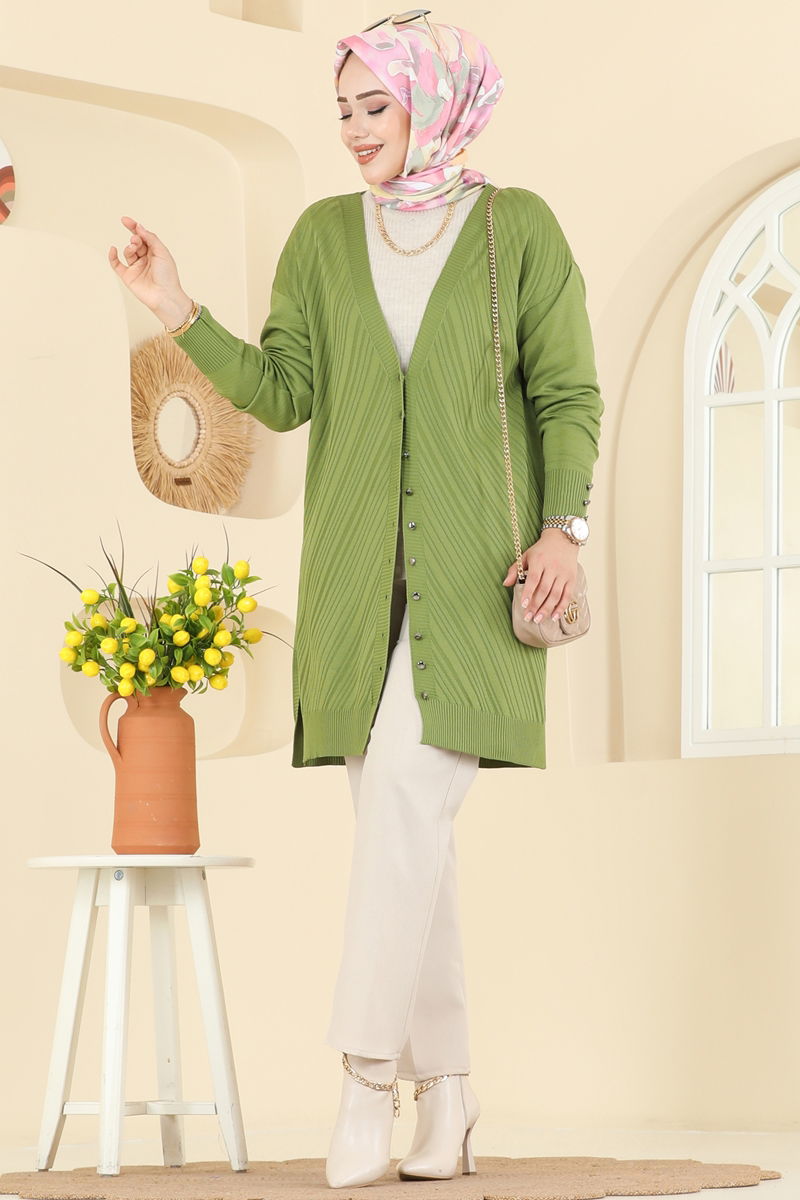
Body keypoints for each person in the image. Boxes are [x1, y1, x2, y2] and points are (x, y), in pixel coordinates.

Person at [108, 9, 603, 1190]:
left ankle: (363, 1082)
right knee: (404, 837)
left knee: (401, 813)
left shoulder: (518, 230)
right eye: (341, 110)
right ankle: (454, 1094)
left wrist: (563, 529)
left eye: (373, 105)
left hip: (478, 585)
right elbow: (283, 391)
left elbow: (566, 394)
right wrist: (175, 307)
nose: (353, 129)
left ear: (433, 102)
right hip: (349, 592)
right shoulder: (324, 237)